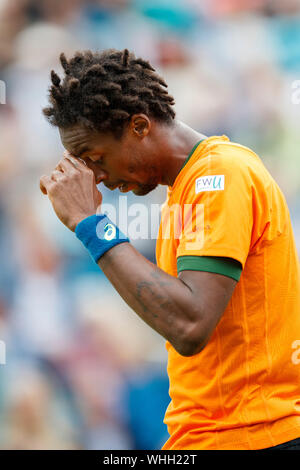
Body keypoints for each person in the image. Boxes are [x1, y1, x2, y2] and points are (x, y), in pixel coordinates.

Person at [40, 49, 300, 450]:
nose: (101, 180)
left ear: (140, 125)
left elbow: (190, 325)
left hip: (252, 433)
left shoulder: (220, 174)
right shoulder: (186, 189)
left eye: (96, 159)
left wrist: (91, 226)